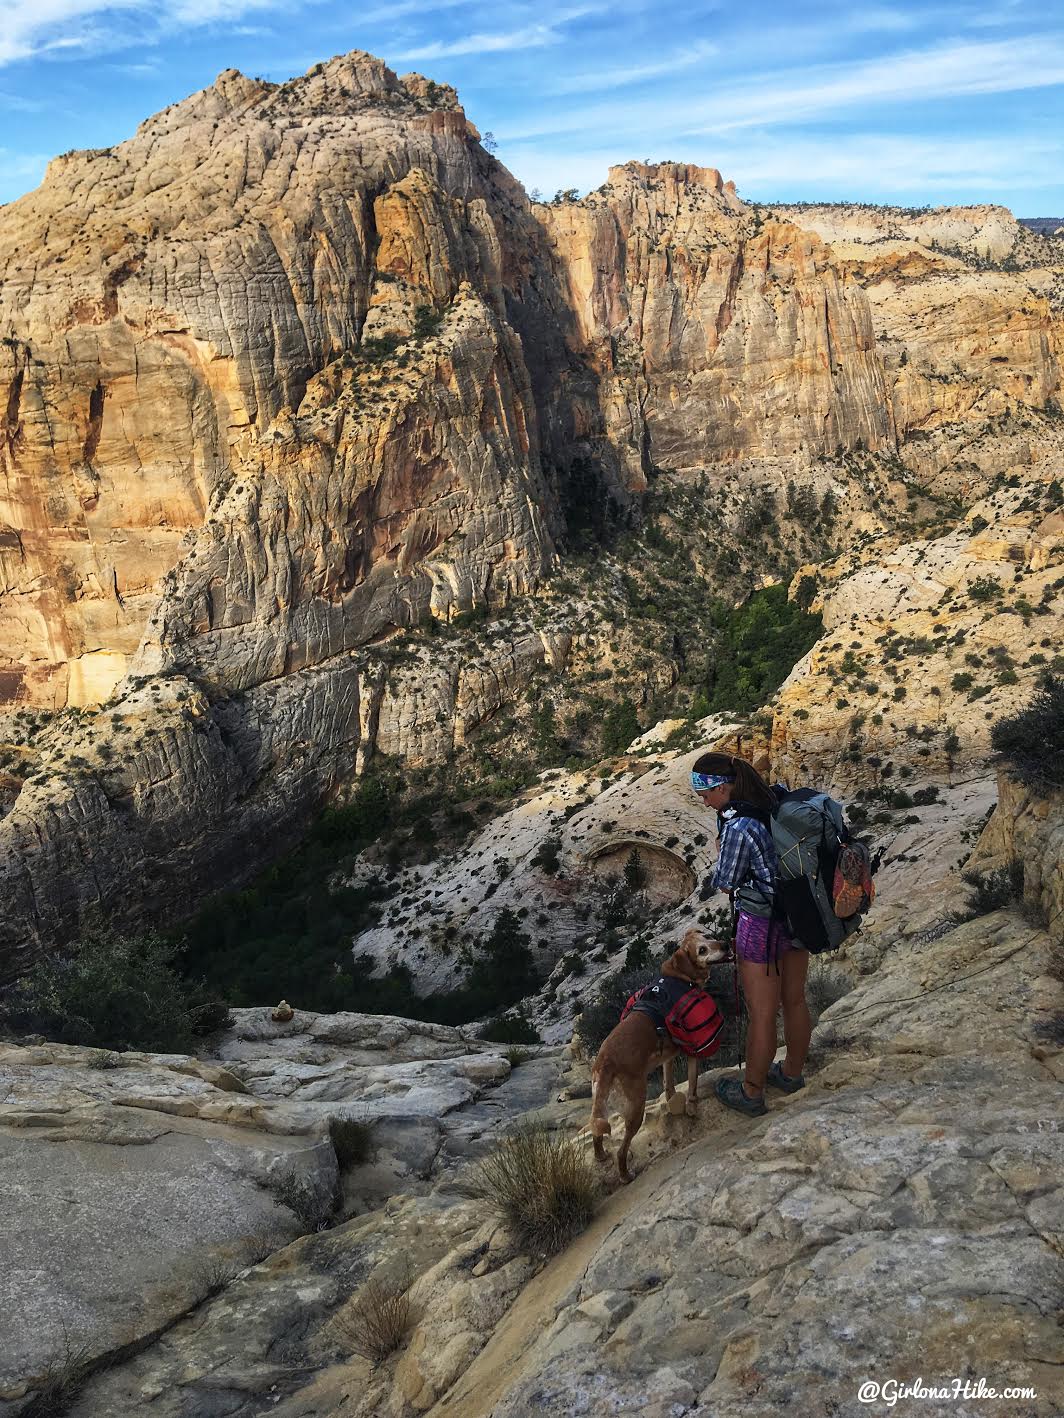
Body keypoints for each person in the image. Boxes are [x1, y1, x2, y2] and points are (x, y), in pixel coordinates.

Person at [690, 750, 810, 1117]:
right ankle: (790, 1074)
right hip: (798, 913)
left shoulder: (739, 827)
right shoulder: (774, 799)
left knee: (761, 1012)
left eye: (706, 793)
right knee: (794, 1000)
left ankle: (752, 1091)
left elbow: (726, 882)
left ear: (723, 787)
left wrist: (719, 847)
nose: (704, 801)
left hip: (761, 923)